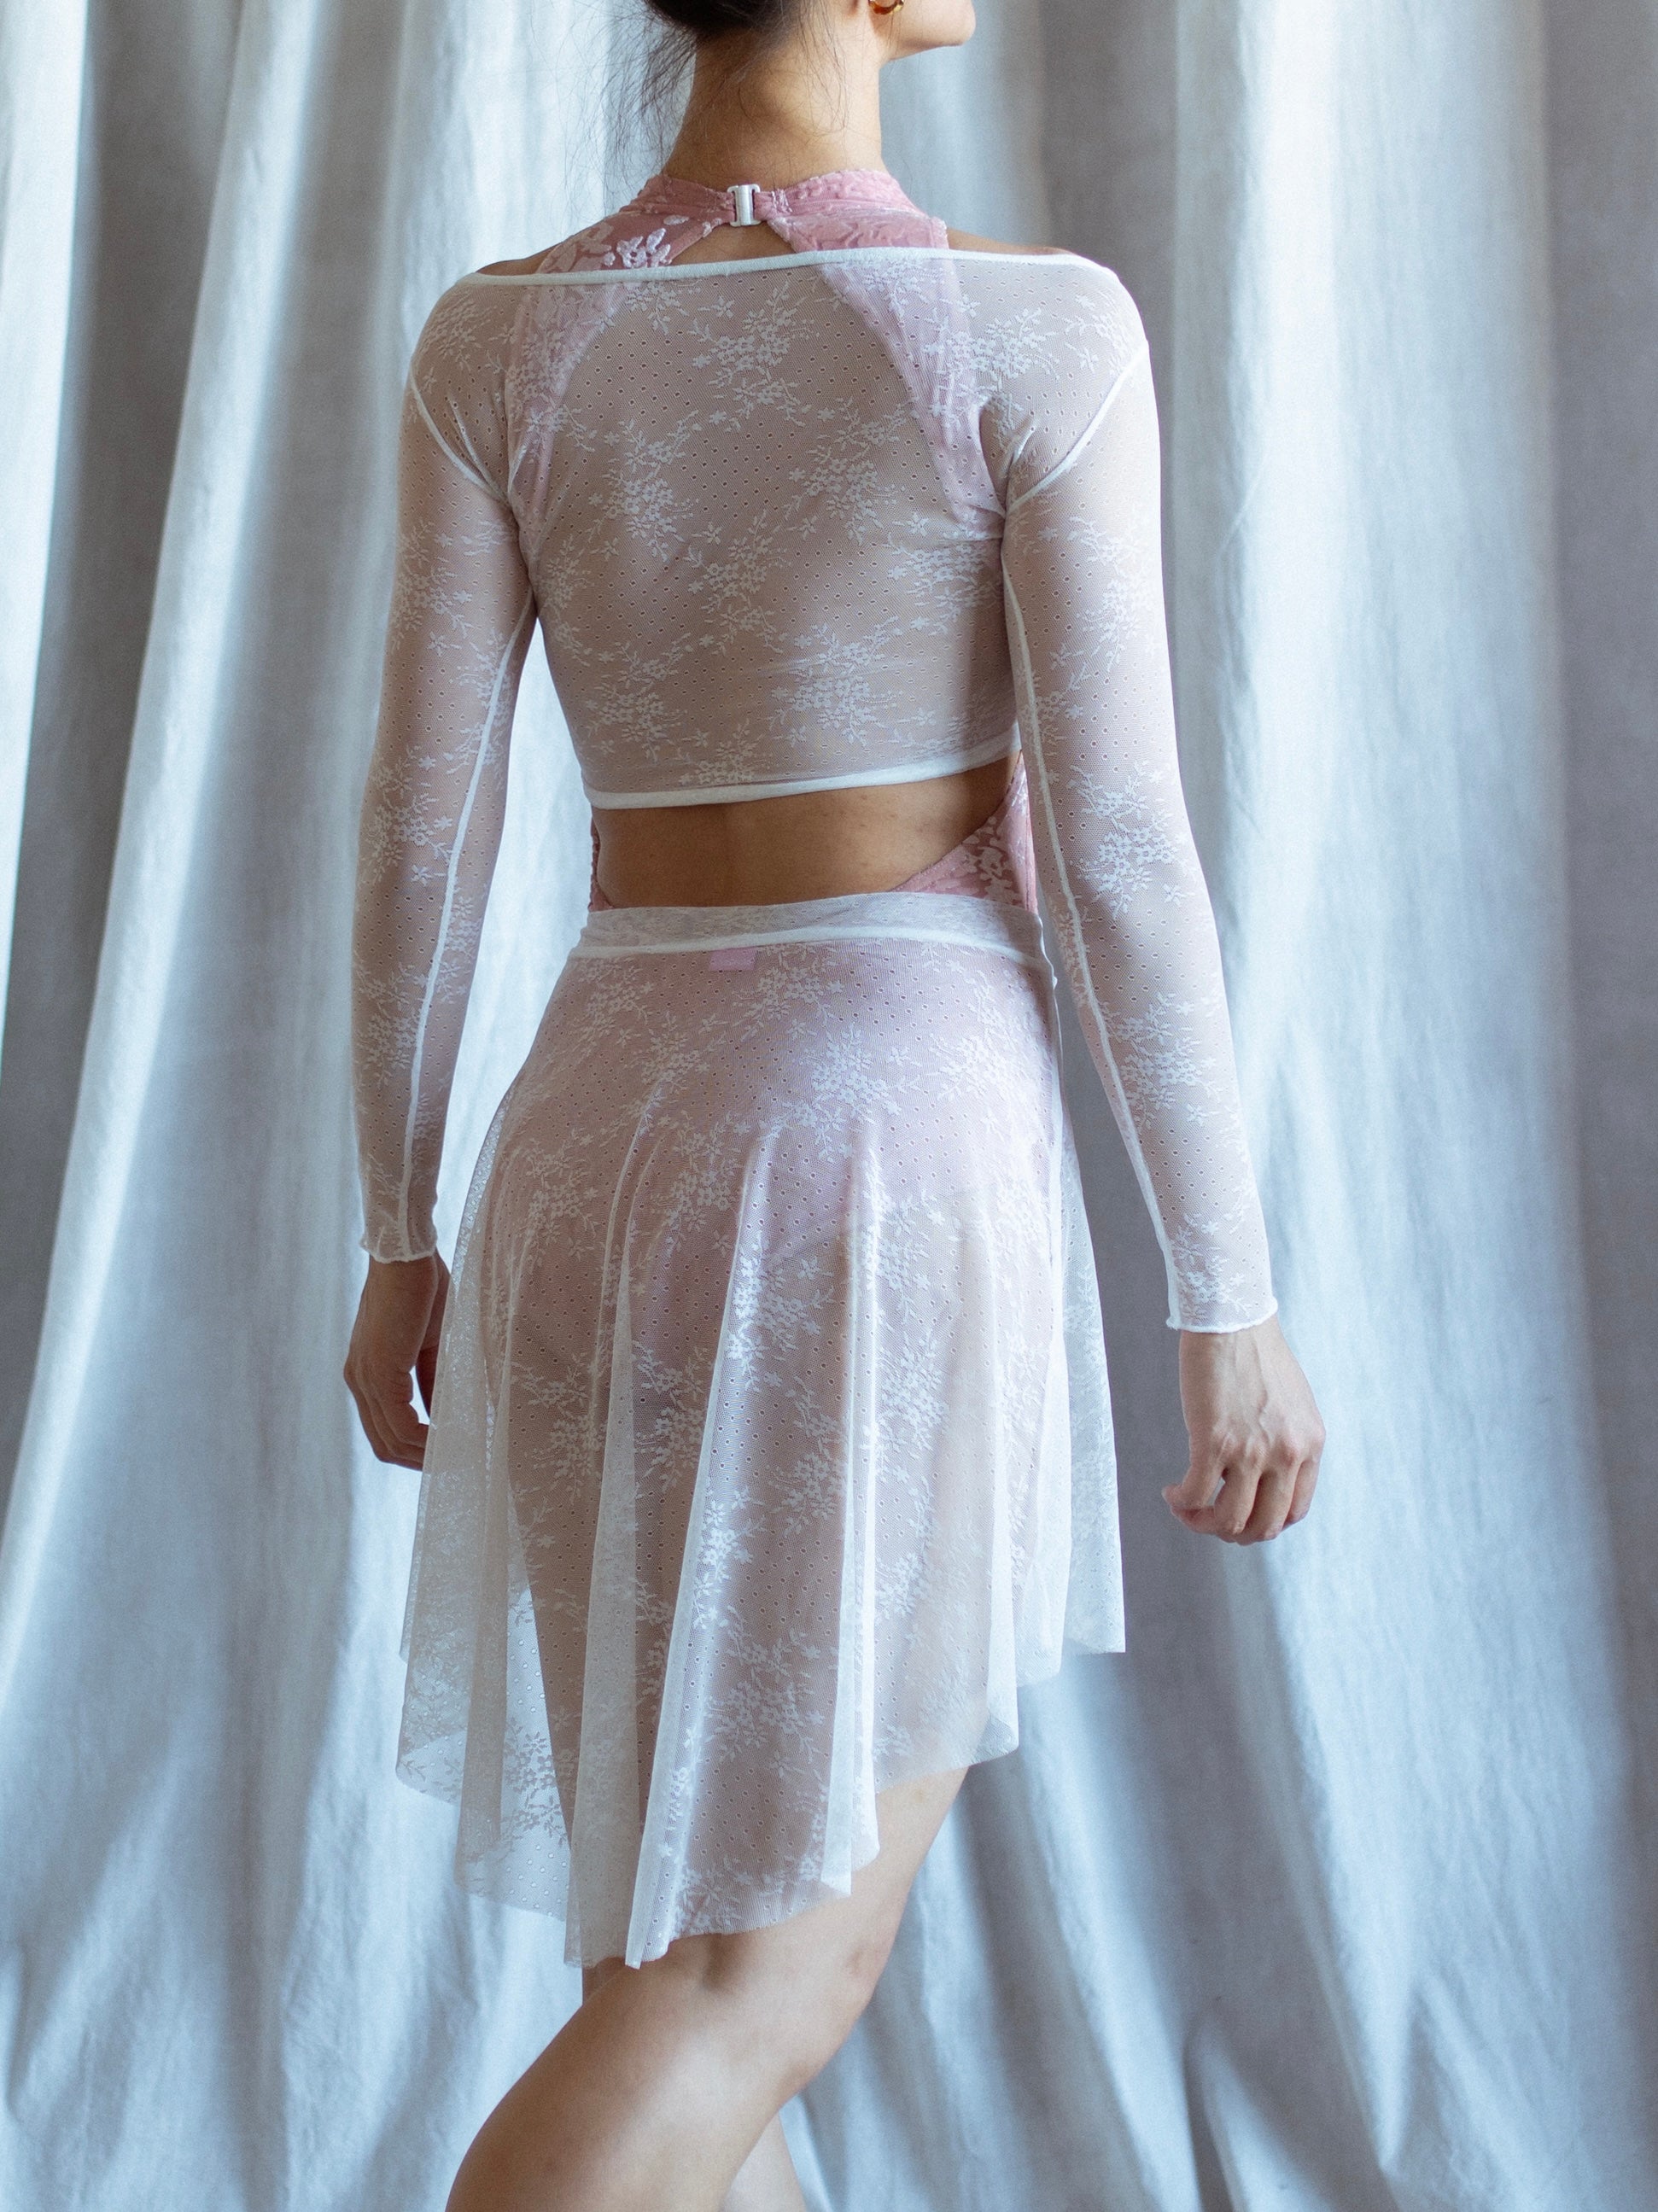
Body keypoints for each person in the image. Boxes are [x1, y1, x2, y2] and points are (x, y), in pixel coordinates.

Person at [343, 0, 1326, 2203]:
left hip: (589, 1150)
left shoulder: (500, 342)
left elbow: (422, 832)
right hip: (880, 1160)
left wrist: (402, 1226)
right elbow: (1126, 851)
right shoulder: (1030, 330)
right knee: (756, 1990)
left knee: (678, 1968)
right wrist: (1227, 1285)